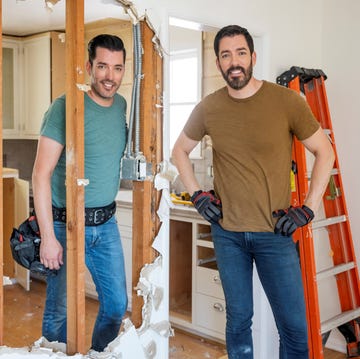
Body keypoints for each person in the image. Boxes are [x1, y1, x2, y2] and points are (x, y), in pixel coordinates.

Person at [172, 25, 335, 359]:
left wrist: (308, 208)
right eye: (226, 55)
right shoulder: (209, 107)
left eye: (241, 53)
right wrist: (197, 195)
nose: (234, 62)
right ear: (218, 62)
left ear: (253, 57)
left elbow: (325, 152)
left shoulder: (287, 101)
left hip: (276, 233)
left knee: (294, 328)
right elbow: (179, 151)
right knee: (238, 322)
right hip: (228, 235)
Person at [32, 34, 128, 353]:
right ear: (89, 66)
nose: (109, 76)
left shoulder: (122, 107)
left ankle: (99, 353)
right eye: (102, 66)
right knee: (59, 312)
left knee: (116, 306)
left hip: (106, 225)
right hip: (65, 224)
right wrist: (48, 237)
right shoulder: (66, 106)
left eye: (117, 68)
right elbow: (40, 174)